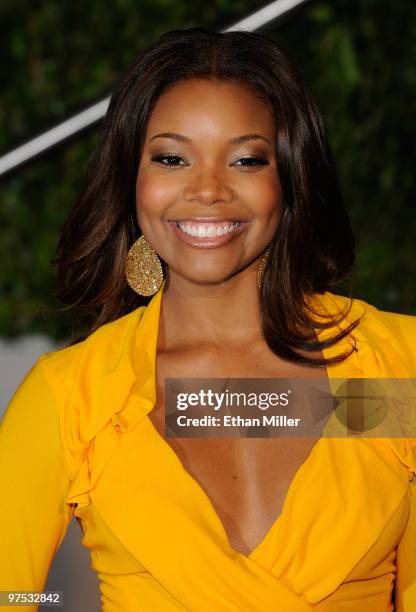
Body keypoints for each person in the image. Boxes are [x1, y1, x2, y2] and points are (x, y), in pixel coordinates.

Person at [1, 27, 415, 611]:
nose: (208, 190)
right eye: (172, 157)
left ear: (289, 177)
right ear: (132, 179)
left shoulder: (392, 368)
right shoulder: (75, 399)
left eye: (246, 159)